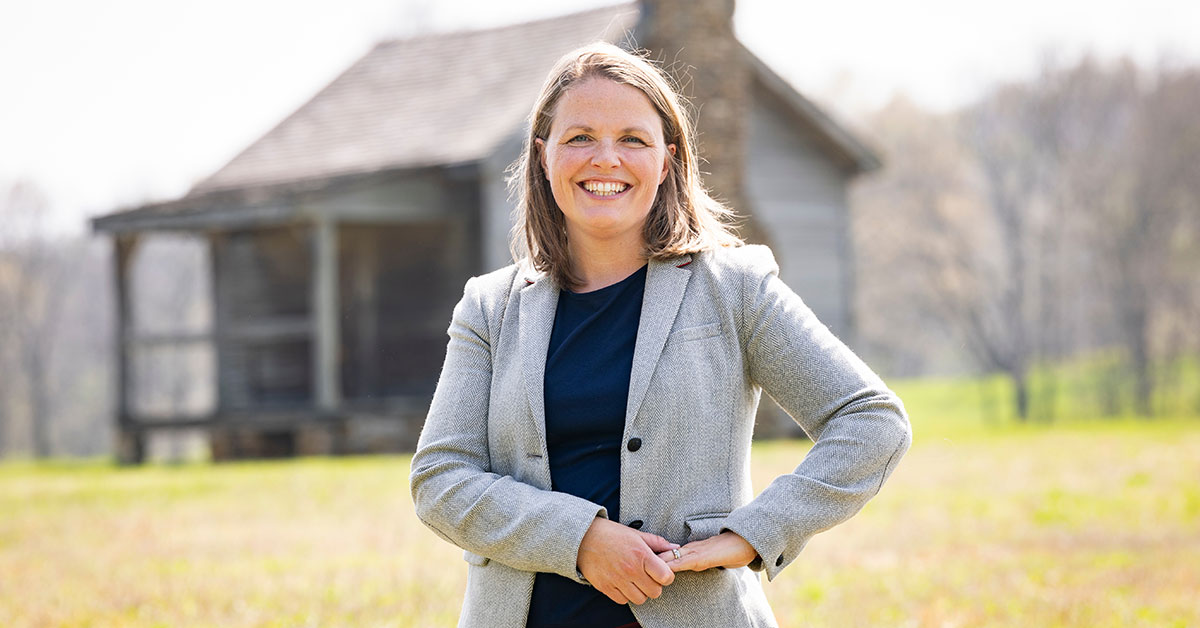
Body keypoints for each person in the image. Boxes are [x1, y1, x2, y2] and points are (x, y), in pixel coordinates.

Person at [409, 42, 911, 628]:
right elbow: (441, 477)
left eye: (632, 139)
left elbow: (870, 420)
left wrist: (754, 532)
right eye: (579, 138)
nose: (605, 159)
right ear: (543, 157)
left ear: (667, 160)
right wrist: (580, 539)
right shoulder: (490, 308)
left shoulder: (735, 288)